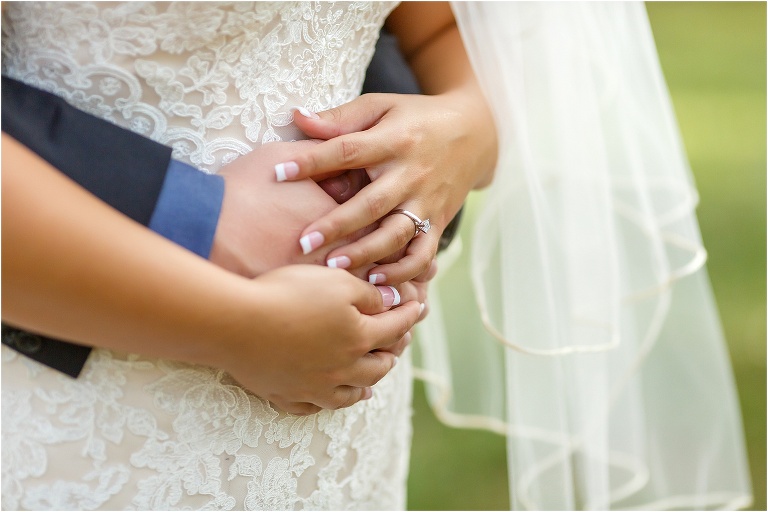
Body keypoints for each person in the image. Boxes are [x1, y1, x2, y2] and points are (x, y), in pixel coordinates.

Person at [1, 2, 495, 509]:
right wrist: (220, 269)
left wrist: (460, 131)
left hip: (343, 430)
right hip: (91, 407)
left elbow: (441, 30)